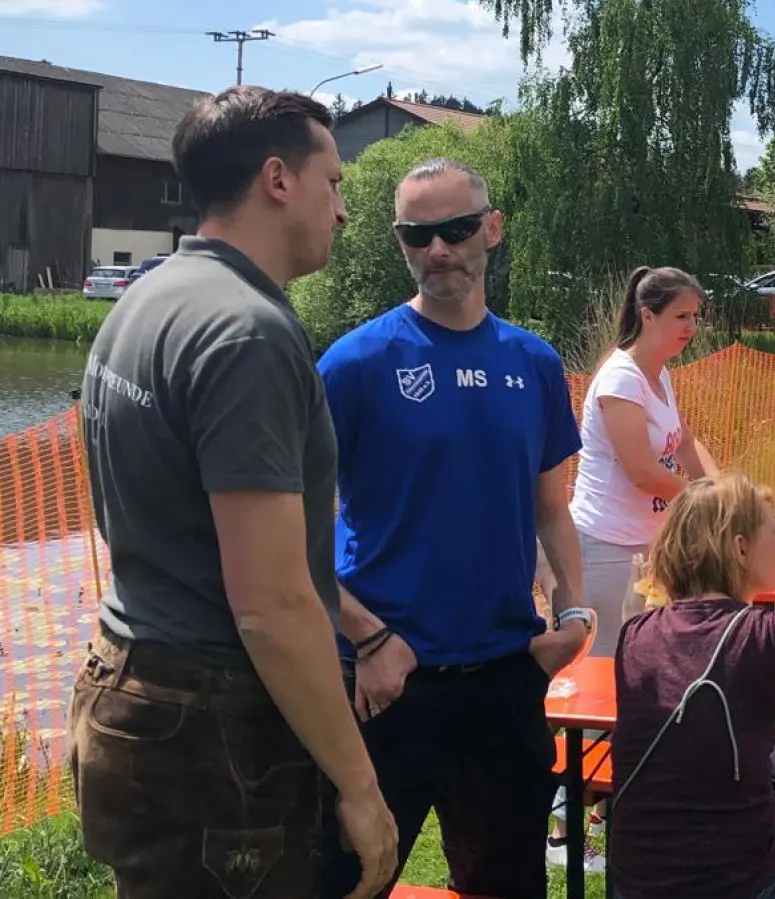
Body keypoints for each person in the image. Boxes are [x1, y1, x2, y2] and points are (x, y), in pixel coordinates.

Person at [72, 87, 398, 898]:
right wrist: (361, 788)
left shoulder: (148, 296)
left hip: (131, 677)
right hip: (213, 726)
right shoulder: (246, 332)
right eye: (335, 182)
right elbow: (270, 603)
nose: (344, 211)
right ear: (278, 179)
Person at [316, 158, 587, 898]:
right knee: (352, 877)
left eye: (457, 229)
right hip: (384, 679)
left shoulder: (532, 363)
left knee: (508, 882)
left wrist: (575, 611)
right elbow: (295, 528)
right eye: (418, 235)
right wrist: (366, 637)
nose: (438, 250)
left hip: (504, 673)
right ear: (400, 242)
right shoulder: (355, 363)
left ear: (491, 230)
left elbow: (552, 506)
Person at [609, 473, 775, 899]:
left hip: (633, 880)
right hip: (735, 884)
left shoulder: (633, 634)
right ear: (740, 547)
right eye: (774, 531)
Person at [570, 266, 720, 659]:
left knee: (646, 653)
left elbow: (685, 442)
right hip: (605, 543)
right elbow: (641, 471)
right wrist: (704, 499)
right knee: (607, 657)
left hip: (647, 541)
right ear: (648, 315)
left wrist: (724, 490)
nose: (691, 327)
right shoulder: (621, 378)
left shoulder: (659, 373)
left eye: (694, 316)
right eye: (681, 316)